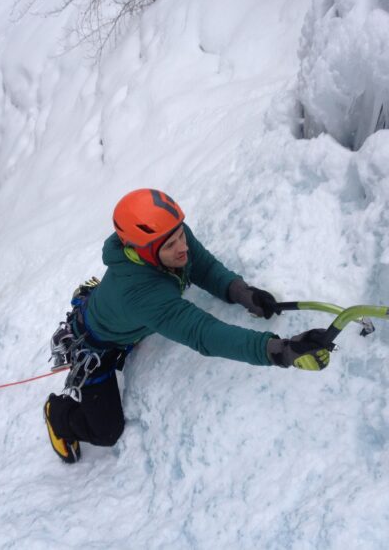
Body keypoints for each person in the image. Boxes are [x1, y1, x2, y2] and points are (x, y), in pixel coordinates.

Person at [44, 188, 331, 463]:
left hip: (126, 315)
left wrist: (242, 292)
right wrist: (276, 350)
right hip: (98, 346)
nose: (183, 247)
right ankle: (57, 414)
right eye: (171, 245)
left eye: (182, 236)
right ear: (141, 249)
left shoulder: (166, 233)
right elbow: (202, 333)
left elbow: (203, 267)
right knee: (106, 432)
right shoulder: (142, 295)